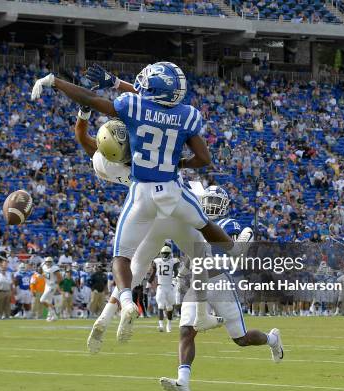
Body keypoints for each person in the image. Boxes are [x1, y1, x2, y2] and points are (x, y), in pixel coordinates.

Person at [32, 62, 235, 341]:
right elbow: (200, 155)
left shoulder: (108, 160)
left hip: (144, 199)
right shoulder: (184, 116)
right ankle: (232, 260)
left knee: (126, 259)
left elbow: (93, 111)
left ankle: (121, 306)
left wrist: (62, 87)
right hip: (173, 195)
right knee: (204, 234)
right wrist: (179, 161)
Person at [159, 186, 283, 391]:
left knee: (241, 339)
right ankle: (183, 383)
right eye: (209, 200)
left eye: (217, 201)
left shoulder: (227, 224)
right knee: (187, 331)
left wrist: (242, 242)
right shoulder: (192, 220)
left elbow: (232, 250)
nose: (212, 205)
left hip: (219, 283)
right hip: (195, 284)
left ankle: (272, 339)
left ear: (225, 205)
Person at [149, 245, 179, 333]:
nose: (165, 255)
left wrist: (174, 281)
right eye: (163, 253)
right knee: (160, 306)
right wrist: (149, 282)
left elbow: (176, 272)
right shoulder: (157, 261)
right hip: (161, 286)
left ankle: (169, 324)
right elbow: (153, 273)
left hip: (170, 286)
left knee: (170, 307)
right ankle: (161, 325)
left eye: (166, 253)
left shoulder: (174, 261)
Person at [40, 257, 62, 321]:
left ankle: (54, 314)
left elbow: (60, 278)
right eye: (47, 261)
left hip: (52, 286)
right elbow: (42, 271)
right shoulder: (43, 266)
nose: (48, 263)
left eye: (50, 262)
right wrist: (42, 274)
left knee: (42, 300)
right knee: (48, 301)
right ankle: (51, 316)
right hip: (47, 285)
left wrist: (55, 283)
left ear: (52, 262)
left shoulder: (54, 268)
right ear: (45, 262)